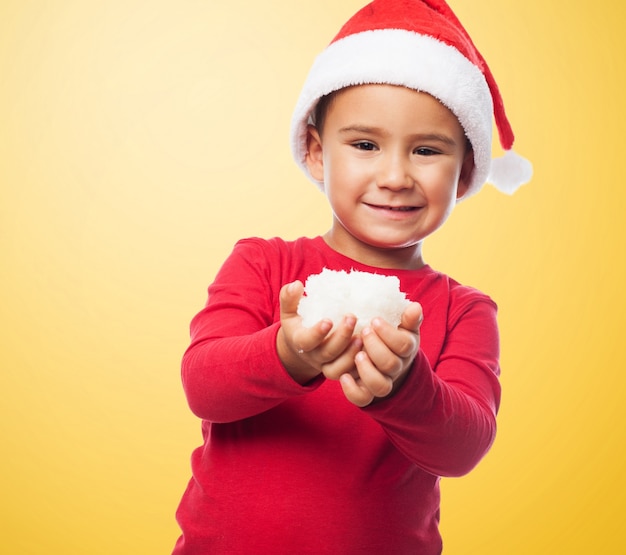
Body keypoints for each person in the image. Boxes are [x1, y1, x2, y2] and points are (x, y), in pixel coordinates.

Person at [172, 0, 532, 553]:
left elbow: (463, 448)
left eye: (427, 150)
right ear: (317, 154)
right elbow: (203, 384)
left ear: (464, 172)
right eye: (365, 144)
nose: (394, 176)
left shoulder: (464, 310)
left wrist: (405, 387)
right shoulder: (263, 265)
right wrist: (286, 357)